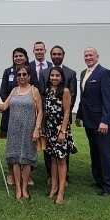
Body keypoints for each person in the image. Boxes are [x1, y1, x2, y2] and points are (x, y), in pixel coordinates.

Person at [0, 64, 42, 200]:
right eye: (19, 75)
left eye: (24, 74)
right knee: (15, 160)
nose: (22, 77)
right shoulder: (13, 91)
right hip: (13, 130)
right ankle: (18, 188)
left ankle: (25, 188)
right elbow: (3, 107)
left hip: (29, 130)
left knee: (26, 160)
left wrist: (37, 129)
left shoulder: (34, 90)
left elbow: (40, 111)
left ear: (29, 76)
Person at [76, 47, 110, 196]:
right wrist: (79, 115)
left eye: (91, 55)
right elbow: (84, 98)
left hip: (101, 123)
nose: (88, 57)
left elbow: (109, 99)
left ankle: (109, 186)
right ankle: (98, 179)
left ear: (97, 57)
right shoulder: (83, 73)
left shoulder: (104, 73)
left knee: (105, 153)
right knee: (95, 152)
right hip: (89, 121)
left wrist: (105, 120)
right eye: (86, 55)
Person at [0, 48, 38, 186]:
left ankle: (28, 176)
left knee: (28, 147)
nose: (18, 58)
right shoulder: (8, 72)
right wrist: (14, 104)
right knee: (13, 147)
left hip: (28, 116)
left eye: (21, 55)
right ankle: (12, 174)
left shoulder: (32, 76)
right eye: (15, 56)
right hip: (12, 114)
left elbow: (37, 104)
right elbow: (4, 94)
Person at [40, 45, 78, 183]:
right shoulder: (44, 73)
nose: (56, 56)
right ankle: (51, 176)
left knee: (63, 153)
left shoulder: (71, 73)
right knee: (49, 152)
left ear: (63, 55)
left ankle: (64, 178)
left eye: (59, 54)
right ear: (50, 55)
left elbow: (72, 98)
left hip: (61, 121)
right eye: (54, 54)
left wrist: (63, 122)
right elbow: (42, 96)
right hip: (48, 121)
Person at [43, 66, 75, 204]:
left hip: (60, 130)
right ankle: (54, 187)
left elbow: (67, 112)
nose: (54, 78)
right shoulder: (48, 90)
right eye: (52, 75)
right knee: (53, 159)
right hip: (49, 130)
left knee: (61, 160)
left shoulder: (65, 91)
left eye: (57, 75)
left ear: (62, 77)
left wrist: (63, 131)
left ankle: (61, 192)